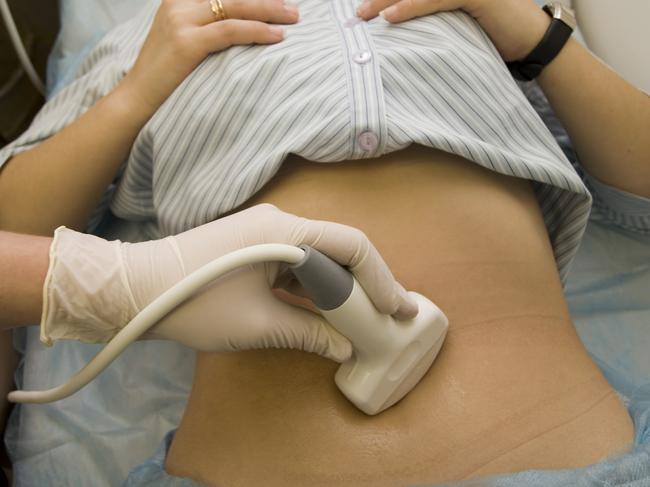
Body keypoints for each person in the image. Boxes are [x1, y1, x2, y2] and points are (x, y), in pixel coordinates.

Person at [0, 0, 647, 485]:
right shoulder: (161, 32)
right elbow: (12, 227)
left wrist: (532, 33)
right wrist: (139, 88)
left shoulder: (505, 12)